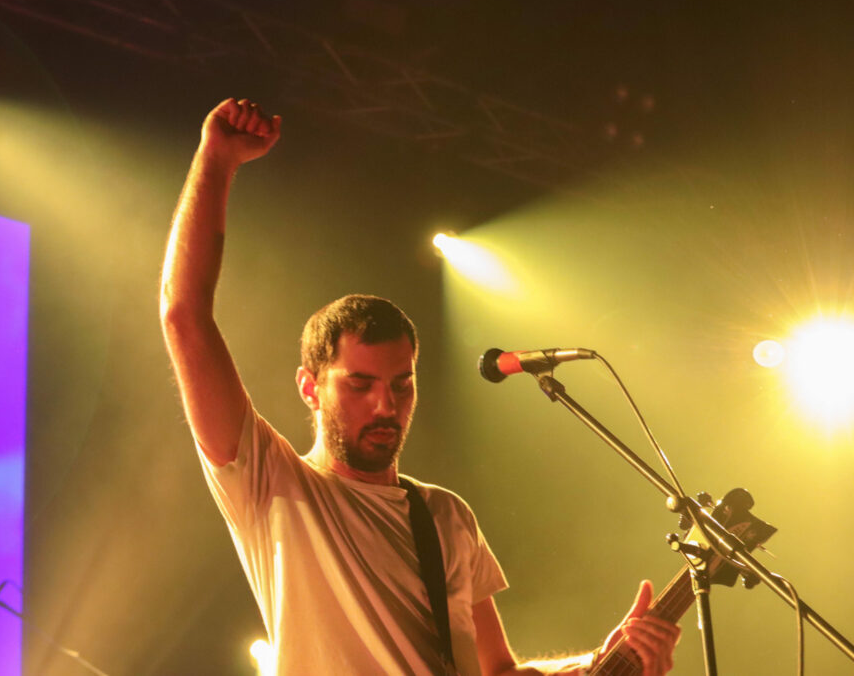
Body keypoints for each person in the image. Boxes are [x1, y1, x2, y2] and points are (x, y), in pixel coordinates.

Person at [159, 98, 681, 675]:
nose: (386, 404)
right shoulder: (273, 485)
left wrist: (600, 662)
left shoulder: (446, 517)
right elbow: (185, 317)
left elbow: (498, 672)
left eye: (401, 384)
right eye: (360, 384)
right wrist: (216, 161)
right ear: (310, 387)